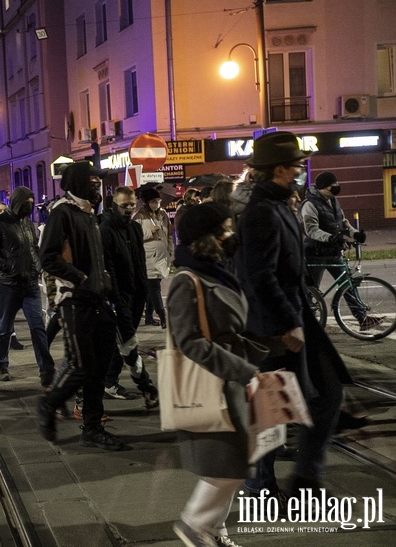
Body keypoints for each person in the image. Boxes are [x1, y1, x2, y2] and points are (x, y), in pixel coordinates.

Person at [236, 131, 350, 499]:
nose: (302, 170)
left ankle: (298, 480)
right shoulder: (261, 211)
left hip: (293, 316)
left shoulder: (278, 203)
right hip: (274, 325)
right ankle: (269, 483)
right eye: (297, 165)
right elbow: (260, 275)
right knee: (277, 405)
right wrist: (288, 323)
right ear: (280, 169)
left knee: (317, 393)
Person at [168, 202, 267, 547]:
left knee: (236, 461)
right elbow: (189, 341)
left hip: (231, 377)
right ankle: (195, 525)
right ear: (205, 238)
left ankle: (213, 529)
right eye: (224, 229)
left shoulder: (217, 271)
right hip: (211, 381)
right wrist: (242, 368)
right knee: (229, 463)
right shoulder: (187, 279)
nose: (230, 235)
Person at [37, 162, 123, 449]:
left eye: (99, 180)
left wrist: (105, 280)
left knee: (99, 365)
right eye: (92, 180)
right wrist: (81, 278)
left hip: (97, 298)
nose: (97, 184)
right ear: (77, 182)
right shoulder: (63, 213)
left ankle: (92, 427)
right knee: (81, 364)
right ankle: (49, 405)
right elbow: (47, 257)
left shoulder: (89, 213)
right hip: (73, 300)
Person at [0, 186, 55, 385]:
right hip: (9, 285)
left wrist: (38, 266)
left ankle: (46, 369)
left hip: (30, 283)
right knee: (5, 328)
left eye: (31, 203)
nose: (29, 206)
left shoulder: (28, 224)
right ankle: (1, 365)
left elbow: (33, 248)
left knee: (38, 327)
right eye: (26, 203)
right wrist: (8, 267)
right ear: (16, 202)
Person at [101, 185, 158, 406]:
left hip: (136, 295)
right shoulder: (106, 230)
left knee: (123, 343)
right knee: (128, 342)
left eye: (132, 205)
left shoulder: (134, 228)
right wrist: (117, 299)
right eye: (124, 205)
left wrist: (143, 291)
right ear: (115, 205)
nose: (129, 209)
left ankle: (109, 381)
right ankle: (147, 387)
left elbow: (140, 262)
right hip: (119, 297)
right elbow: (110, 268)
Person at [300, 172, 377, 329]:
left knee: (348, 284)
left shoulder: (333, 201)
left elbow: (343, 222)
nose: (336, 188)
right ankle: (306, 324)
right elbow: (311, 230)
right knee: (311, 291)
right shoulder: (310, 204)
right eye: (332, 186)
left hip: (334, 252)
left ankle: (362, 318)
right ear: (323, 187)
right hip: (316, 253)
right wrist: (330, 237)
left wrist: (355, 234)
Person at [133, 187, 173, 329]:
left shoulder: (163, 214)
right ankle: (162, 315)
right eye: (153, 201)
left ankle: (149, 316)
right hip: (148, 257)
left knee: (152, 287)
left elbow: (169, 234)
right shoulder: (139, 216)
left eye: (158, 201)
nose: (156, 203)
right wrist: (150, 231)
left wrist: (170, 251)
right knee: (154, 287)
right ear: (147, 202)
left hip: (162, 256)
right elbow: (135, 236)